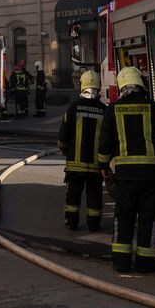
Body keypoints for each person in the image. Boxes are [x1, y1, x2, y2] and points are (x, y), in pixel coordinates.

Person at [97, 65, 155, 273]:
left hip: (125, 176)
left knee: (123, 218)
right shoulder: (152, 107)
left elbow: (104, 143)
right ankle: (145, 263)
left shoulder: (113, 110)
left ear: (122, 86)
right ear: (140, 85)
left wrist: (104, 167)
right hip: (151, 175)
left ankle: (121, 262)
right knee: (148, 218)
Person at [58, 70, 106, 231]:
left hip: (74, 164)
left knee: (73, 195)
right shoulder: (103, 109)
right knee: (95, 195)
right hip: (95, 165)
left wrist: (63, 148)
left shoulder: (73, 107)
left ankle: (71, 222)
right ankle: (94, 224)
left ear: (82, 86)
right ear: (98, 87)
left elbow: (63, 133)